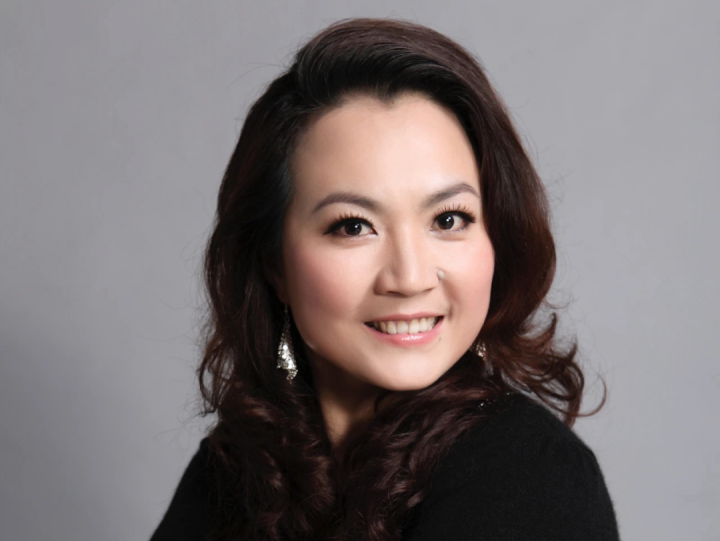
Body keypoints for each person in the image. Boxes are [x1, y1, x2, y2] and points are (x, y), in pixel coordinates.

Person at [150, 17, 620, 541]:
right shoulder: (234, 469)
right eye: (354, 226)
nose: (410, 278)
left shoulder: (530, 474)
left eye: (449, 219)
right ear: (273, 263)